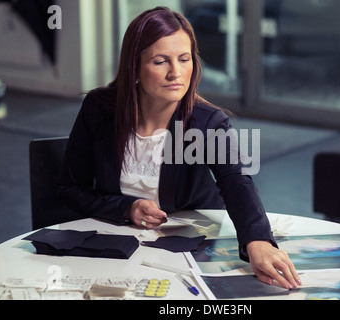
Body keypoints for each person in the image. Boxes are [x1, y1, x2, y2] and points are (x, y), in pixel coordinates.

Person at [57, 6, 301, 289]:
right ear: (134, 67)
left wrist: (257, 240)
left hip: (190, 249)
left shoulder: (207, 121)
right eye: (160, 61)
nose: (176, 73)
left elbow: (237, 182)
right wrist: (126, 208)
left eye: (184, 59)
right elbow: (69, 189)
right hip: (116, 248)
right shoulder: (99, 109)